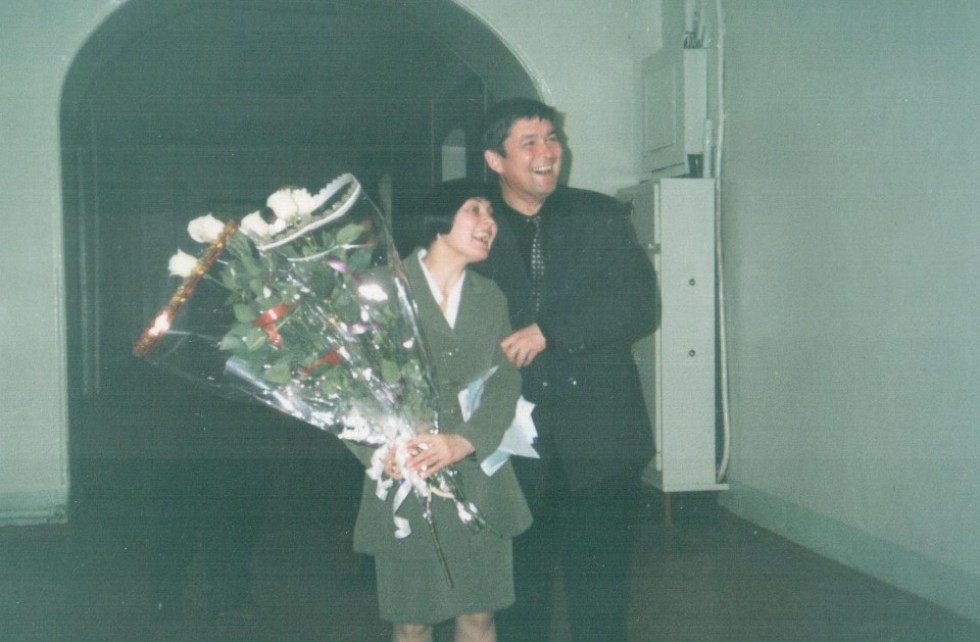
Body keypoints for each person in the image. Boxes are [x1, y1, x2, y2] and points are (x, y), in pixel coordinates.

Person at [473, 97, 659, 641]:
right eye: (529, 142)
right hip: (512, 443)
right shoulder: (475, 226)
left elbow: (639, 306)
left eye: (552, 138)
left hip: (598, 439)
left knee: (599, 597)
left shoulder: (598, 215)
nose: (548, 152)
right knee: (519, 595)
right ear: (495, 160)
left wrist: (550, 331)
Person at [348, 180, 532, 642]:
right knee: (412, 622)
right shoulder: (381, 290)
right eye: (475, 210)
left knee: (479, 616)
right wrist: (380, 454)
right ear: (438, 220)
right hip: (408, 477)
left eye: (491, 214)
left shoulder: (491, 296)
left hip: (478, 475)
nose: (489, 223)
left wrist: (467, 440)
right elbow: (348, 389)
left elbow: (505, 381)